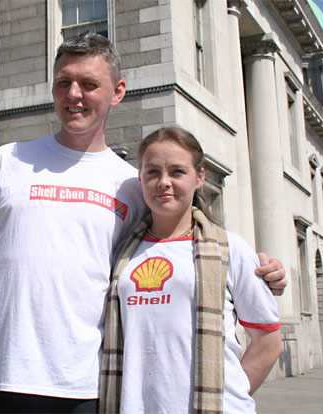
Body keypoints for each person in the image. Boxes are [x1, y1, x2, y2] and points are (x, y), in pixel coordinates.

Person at [0, 33, 286, 414]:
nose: (74, 94)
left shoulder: (131, 186)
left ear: (117, 92)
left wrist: (262, 270)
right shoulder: (7, 160)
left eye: (89, 84)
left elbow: (184, 241)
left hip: (81, 387)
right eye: (63, 82)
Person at [100, 127, 283, 414]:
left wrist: (227, 396)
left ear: (199, 177)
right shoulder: (122, 254)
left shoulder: (231, 248)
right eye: (152, 173)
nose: (164, 182)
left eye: (177, 172)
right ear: (140, 179)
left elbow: (269, 342)